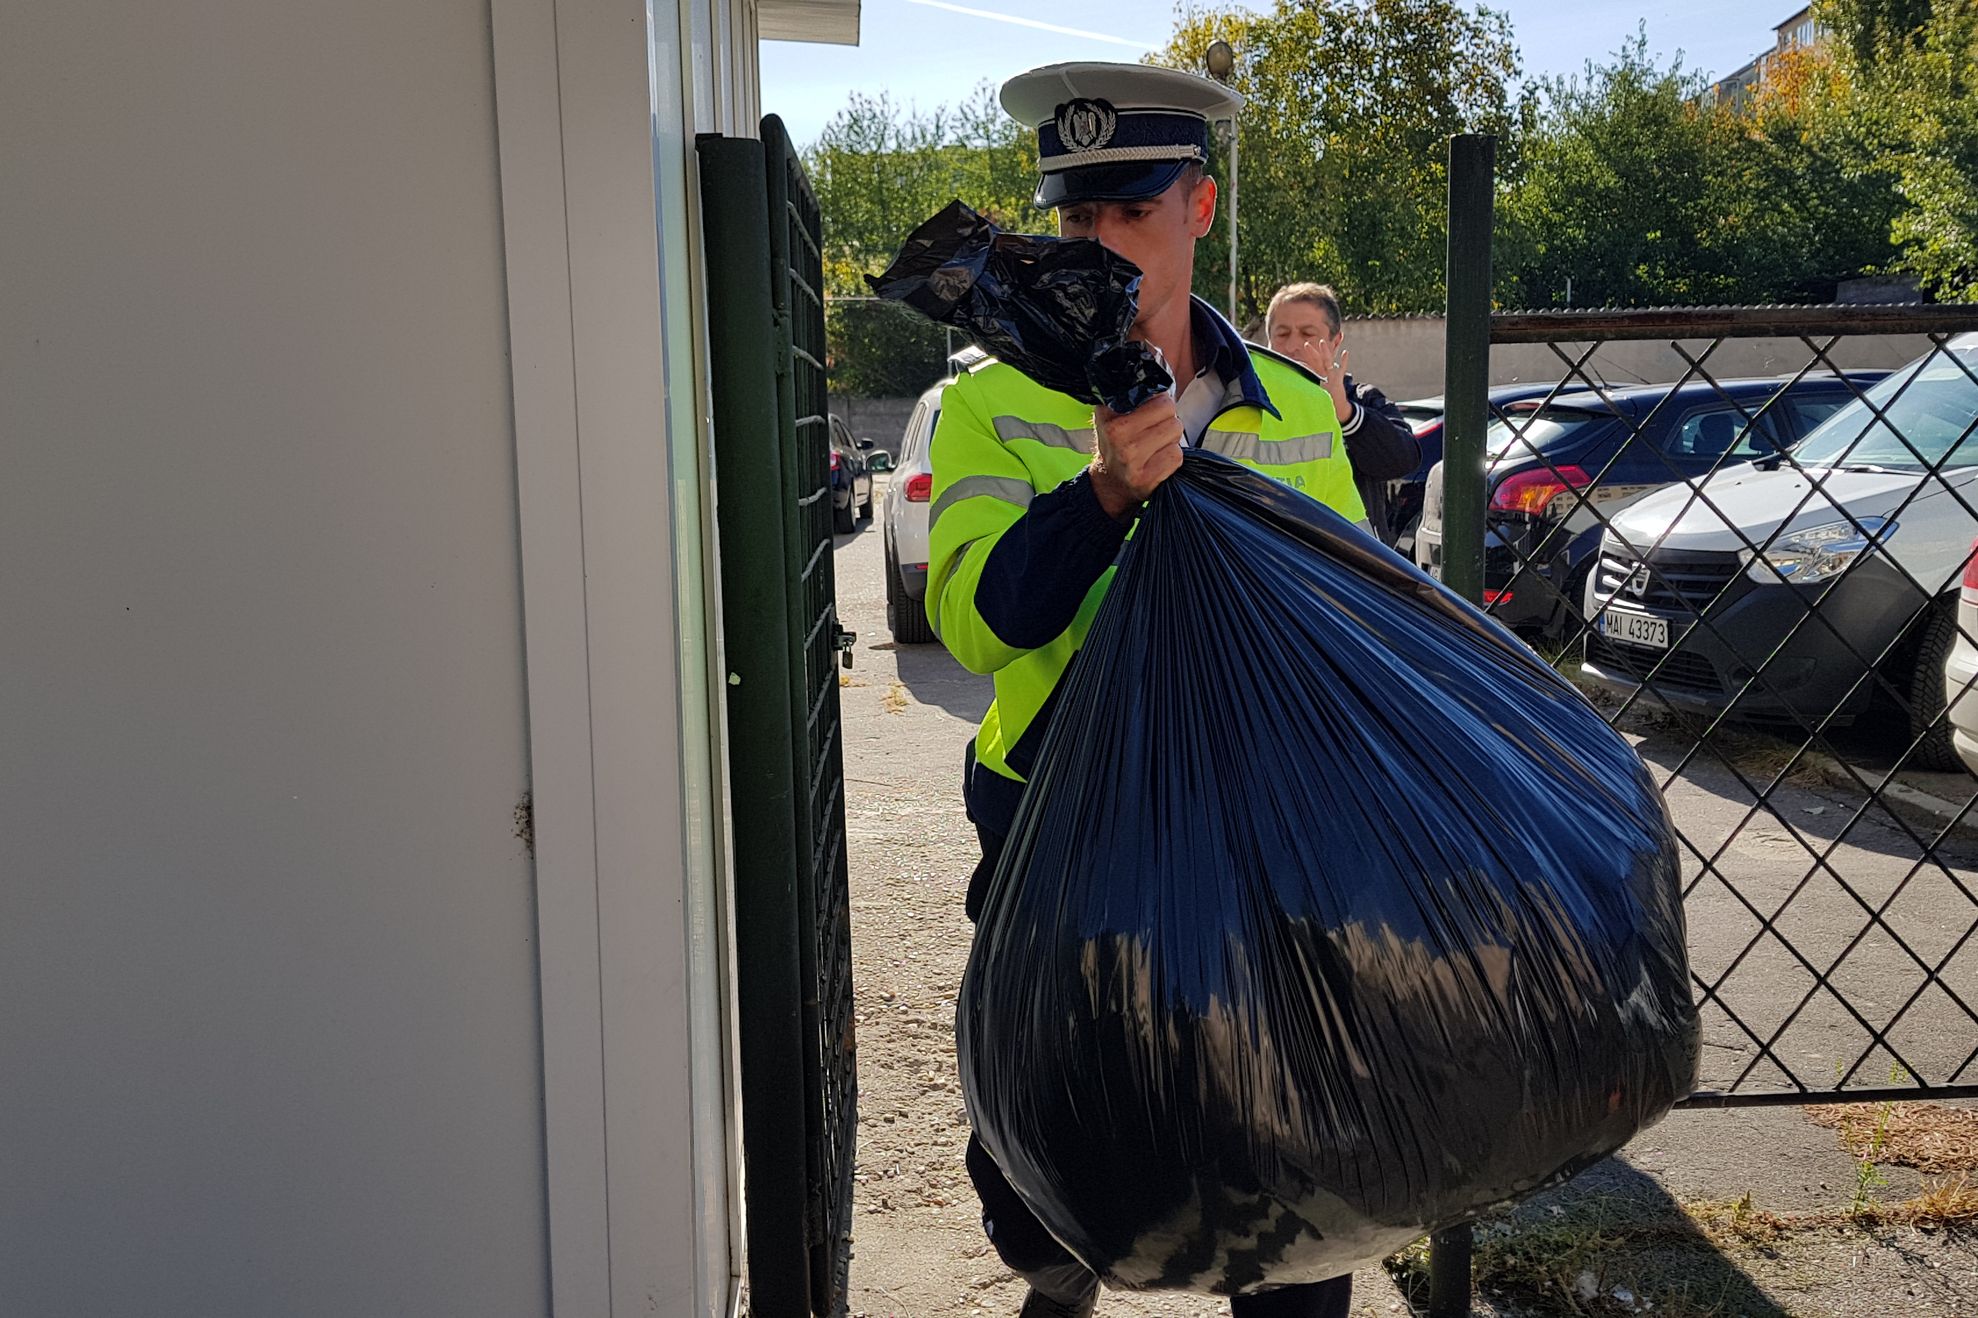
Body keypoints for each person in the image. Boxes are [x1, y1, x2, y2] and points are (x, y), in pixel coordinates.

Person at [924, 61, 1365, 1318]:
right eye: (1075, 217)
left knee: (1283, 1155)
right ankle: (1062, 1279)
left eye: (1130, 211)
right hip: (1061, 830)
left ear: (1200, 208)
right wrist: (1105, 492)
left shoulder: (1289, 405)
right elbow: (974, 622)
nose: (1100, 244)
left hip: (1255, 841)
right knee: (1062, 1153)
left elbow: (1338, 603)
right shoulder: (991, 400)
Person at [1264, 283, 1420, 546]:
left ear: (1336, 342)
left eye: (1306, 334)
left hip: (1348, 565)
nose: (1292, 346)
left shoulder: (1362, 399)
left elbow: (1403, 458)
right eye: (1281, 334)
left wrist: (1344, 412)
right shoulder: (1247, 403)